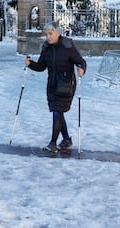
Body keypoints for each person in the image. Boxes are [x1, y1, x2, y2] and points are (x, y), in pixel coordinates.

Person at [26, 21, 87, 152]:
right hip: (52, 85)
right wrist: (30, 64)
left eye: (51, 33)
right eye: (46, 34)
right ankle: (66, 139)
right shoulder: (46, 48)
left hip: (66, 85)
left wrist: (82, 69)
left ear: (58, 33)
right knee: (58, 113)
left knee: (57, 112)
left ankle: (53, 143)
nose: (48, 37)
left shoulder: (67, 46)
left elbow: (80, 61)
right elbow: (41, 66)